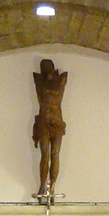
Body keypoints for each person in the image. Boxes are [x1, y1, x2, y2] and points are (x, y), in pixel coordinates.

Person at [32, 58, 68, 199]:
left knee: (55, 154)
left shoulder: (60, 80)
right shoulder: (39, 81)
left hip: (56, 122)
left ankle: (52, 186)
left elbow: (62, 82)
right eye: (43, 67)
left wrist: (53, 78)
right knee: (45, 154)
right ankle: (42, 185)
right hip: (43, 122)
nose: (46, 69)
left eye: (48, 67)